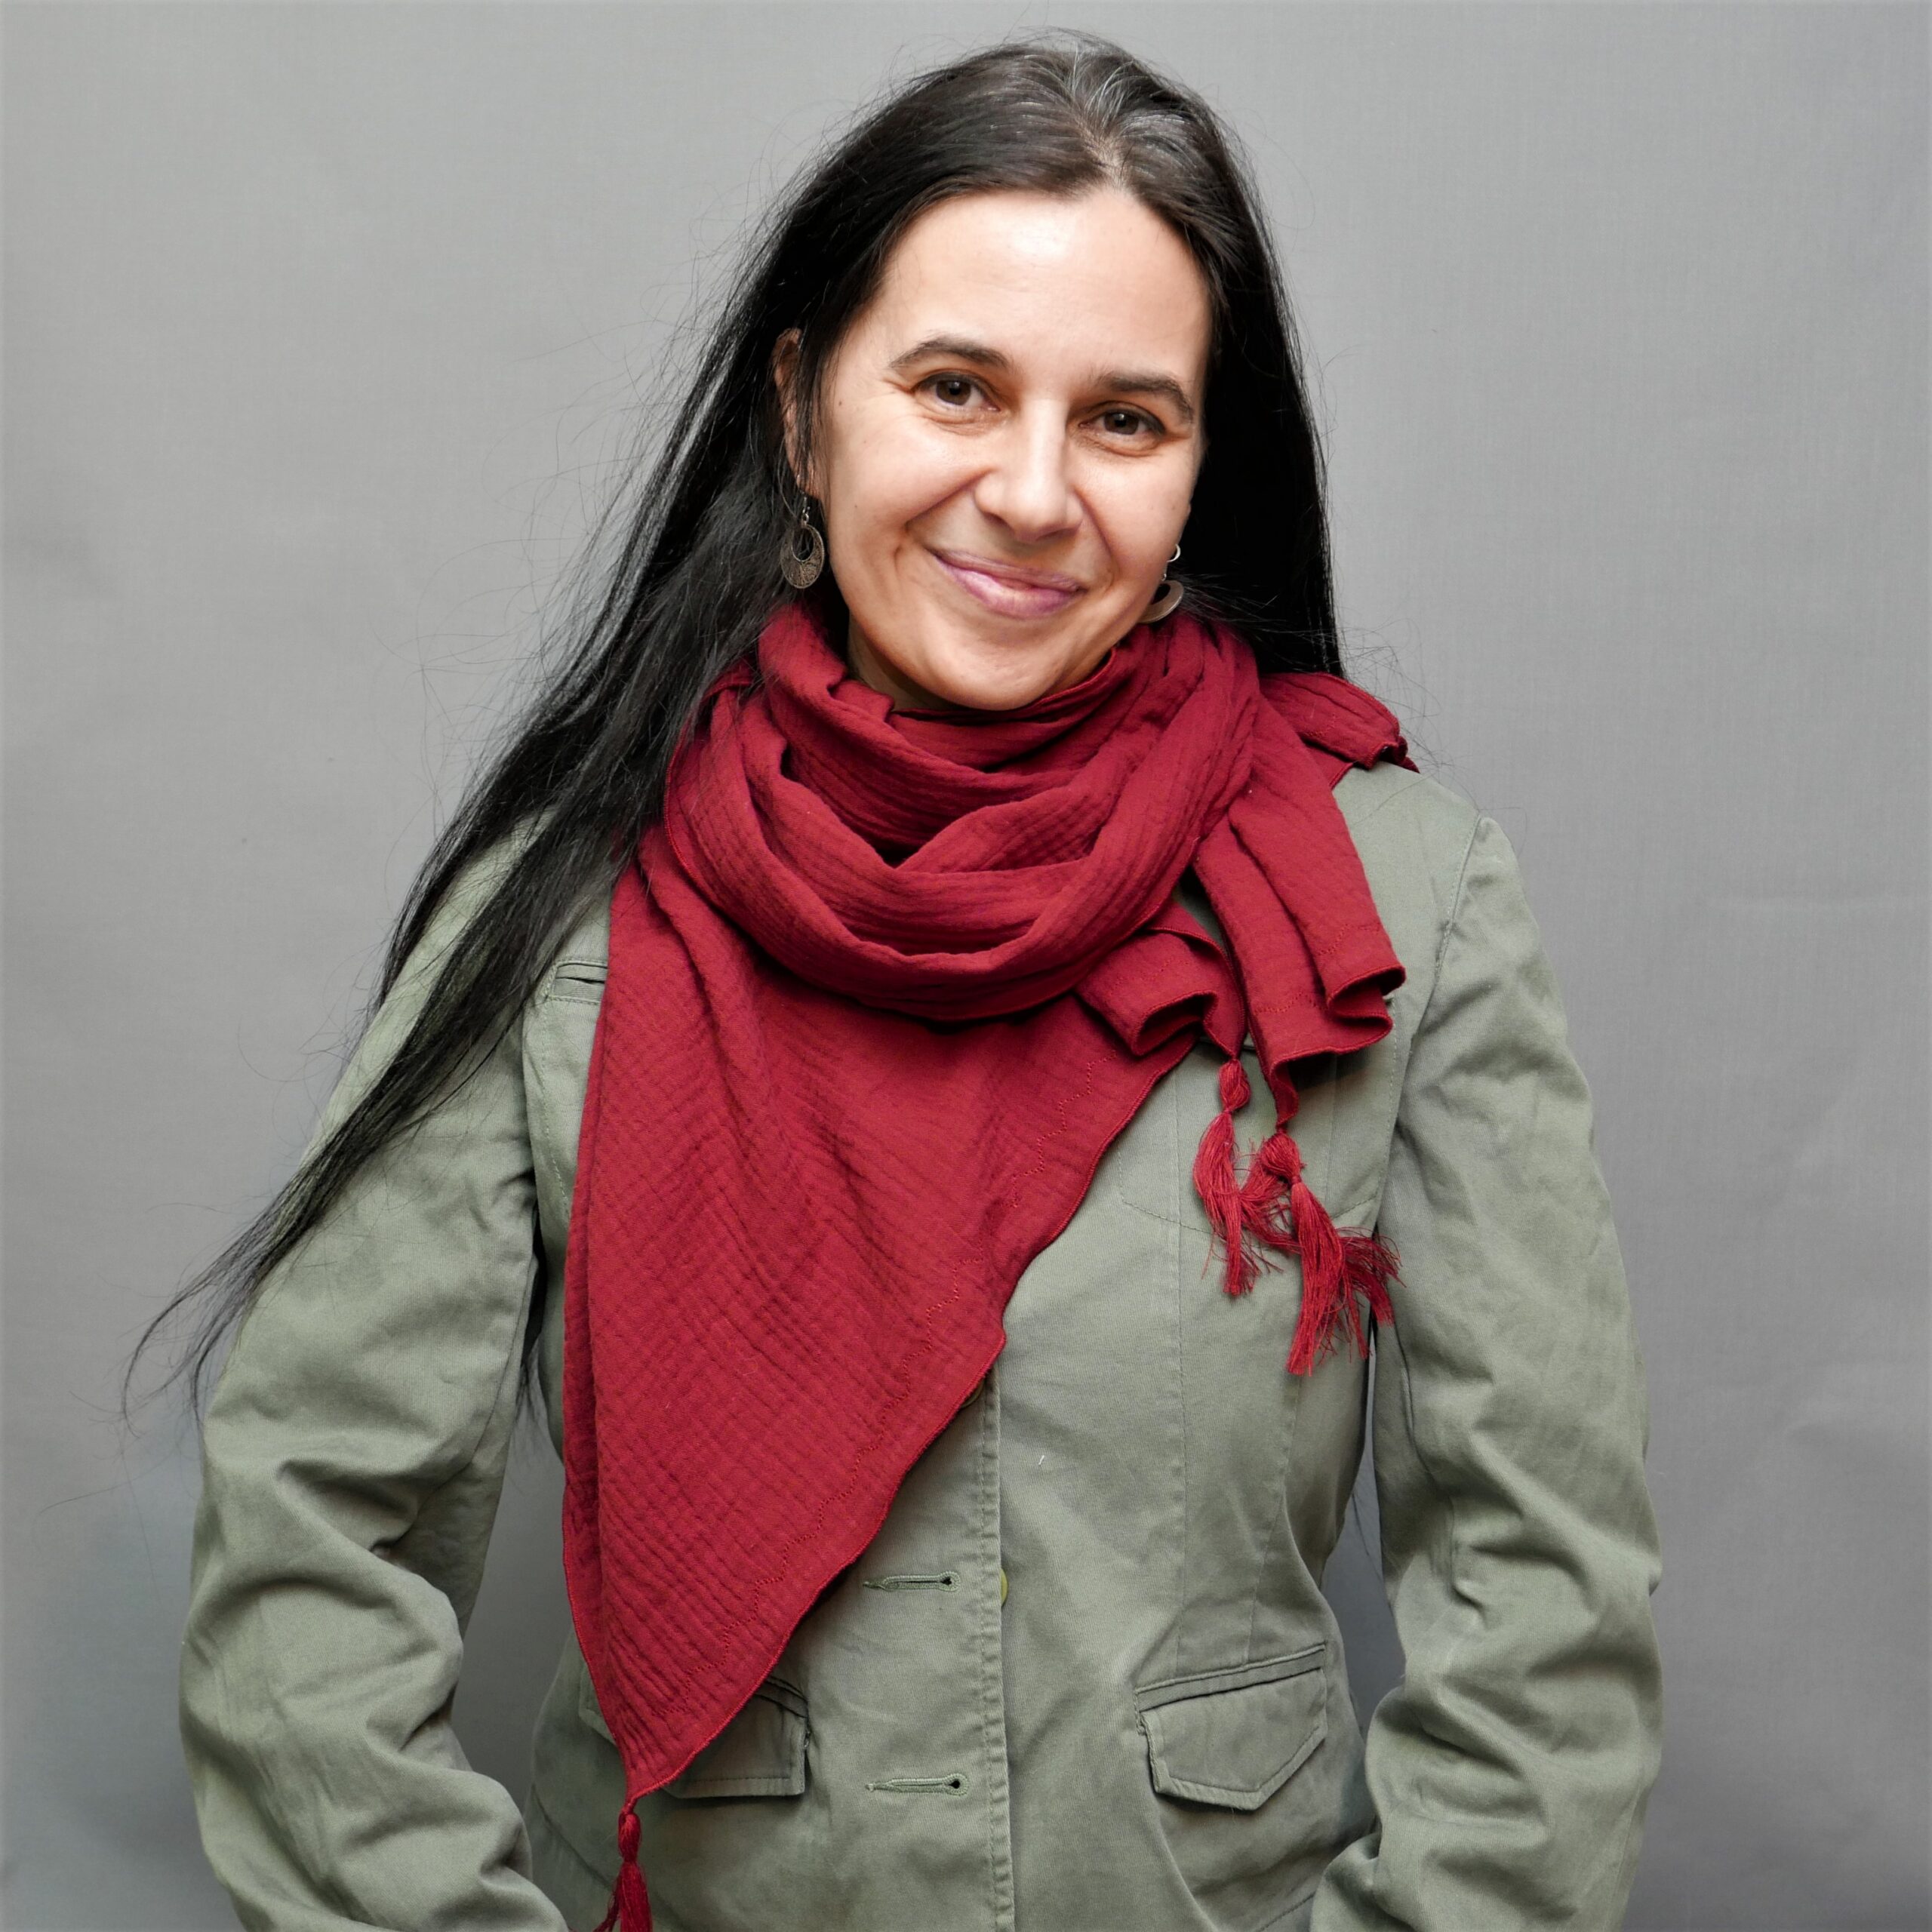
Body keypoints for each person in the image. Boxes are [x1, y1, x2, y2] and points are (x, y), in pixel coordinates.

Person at [145, 30, 1663, 1932]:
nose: (1029, 492)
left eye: (1124, 420)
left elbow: (1545, 1609)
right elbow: (306, 1545)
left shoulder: (1386, 905)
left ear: (1201, 468)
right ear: (801, 410)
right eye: (955, 387)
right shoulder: (571, 907)